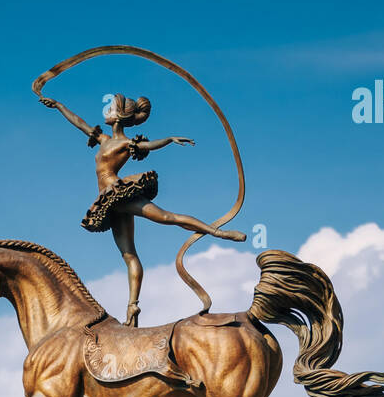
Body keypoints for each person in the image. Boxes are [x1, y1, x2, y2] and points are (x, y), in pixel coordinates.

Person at [39, 91, 247, 326]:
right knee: (129, 256)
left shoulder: (127, 143)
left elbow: (149, 145)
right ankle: (133, 308)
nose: (105, 113)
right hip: (109, 204)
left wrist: (168, 139)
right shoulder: (104, 140)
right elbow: (80, 123)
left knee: (167, 217)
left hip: (119, 193)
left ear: (118, 116)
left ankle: (218, 232)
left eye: (110, 109)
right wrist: (58, 105)